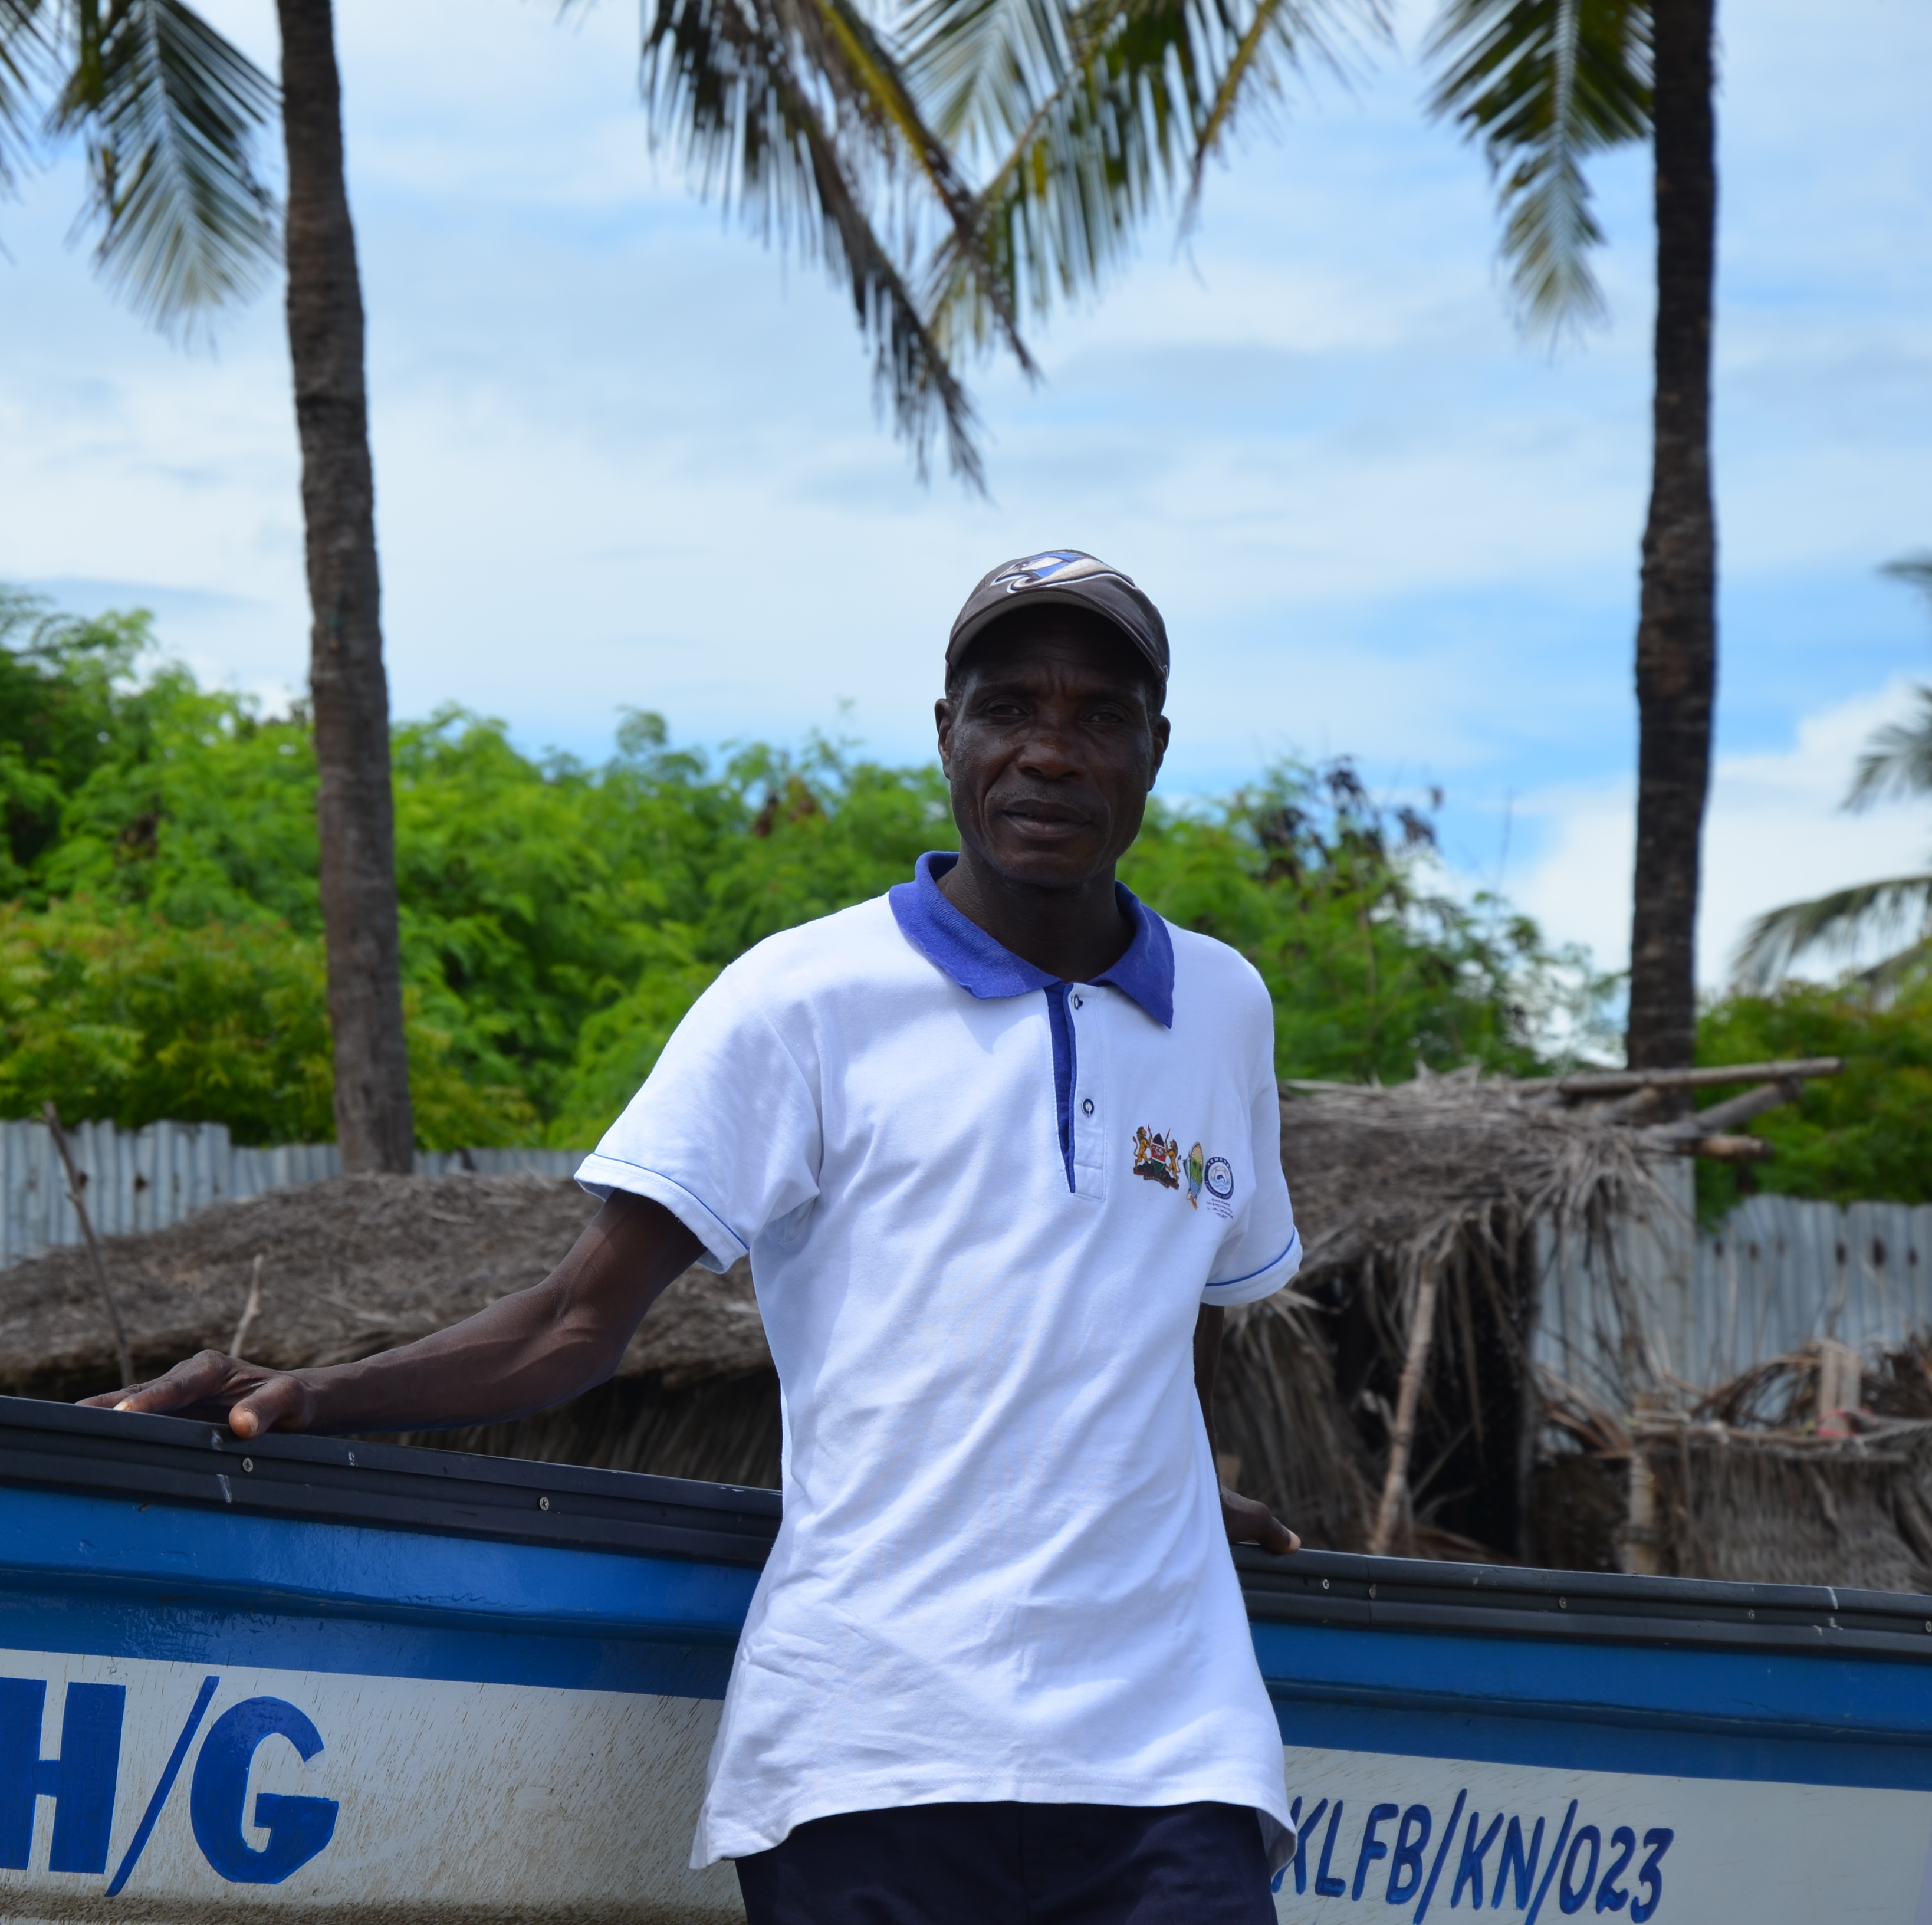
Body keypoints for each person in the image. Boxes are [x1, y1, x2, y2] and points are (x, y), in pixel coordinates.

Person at [88, 549, 1306, 1925]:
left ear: (1153, 750)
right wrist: (306, 1395)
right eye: (1007, 706)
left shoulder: (1221, 1007)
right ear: (945, 735)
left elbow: (1158, 1311)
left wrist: (1169, 1484)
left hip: (1173, 1756)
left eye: (1097, 717)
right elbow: (573, 1324)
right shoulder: (802, 998)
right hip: (872, 1747)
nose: (1050, 753)